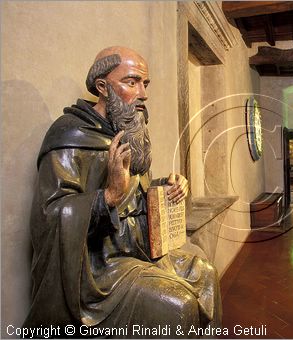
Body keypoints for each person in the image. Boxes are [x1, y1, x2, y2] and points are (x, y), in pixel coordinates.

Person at [23, 46, 221, 337]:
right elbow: (50, 216)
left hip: (135, 249)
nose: (143, 93)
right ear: (102, 87)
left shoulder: (127, 130)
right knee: (178, 305)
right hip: (96, 270)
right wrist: (108, 197)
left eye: (145, 83)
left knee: (206, 273)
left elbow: (135, 196)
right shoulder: (70, 135)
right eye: (132, 82)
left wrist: (166, 189)